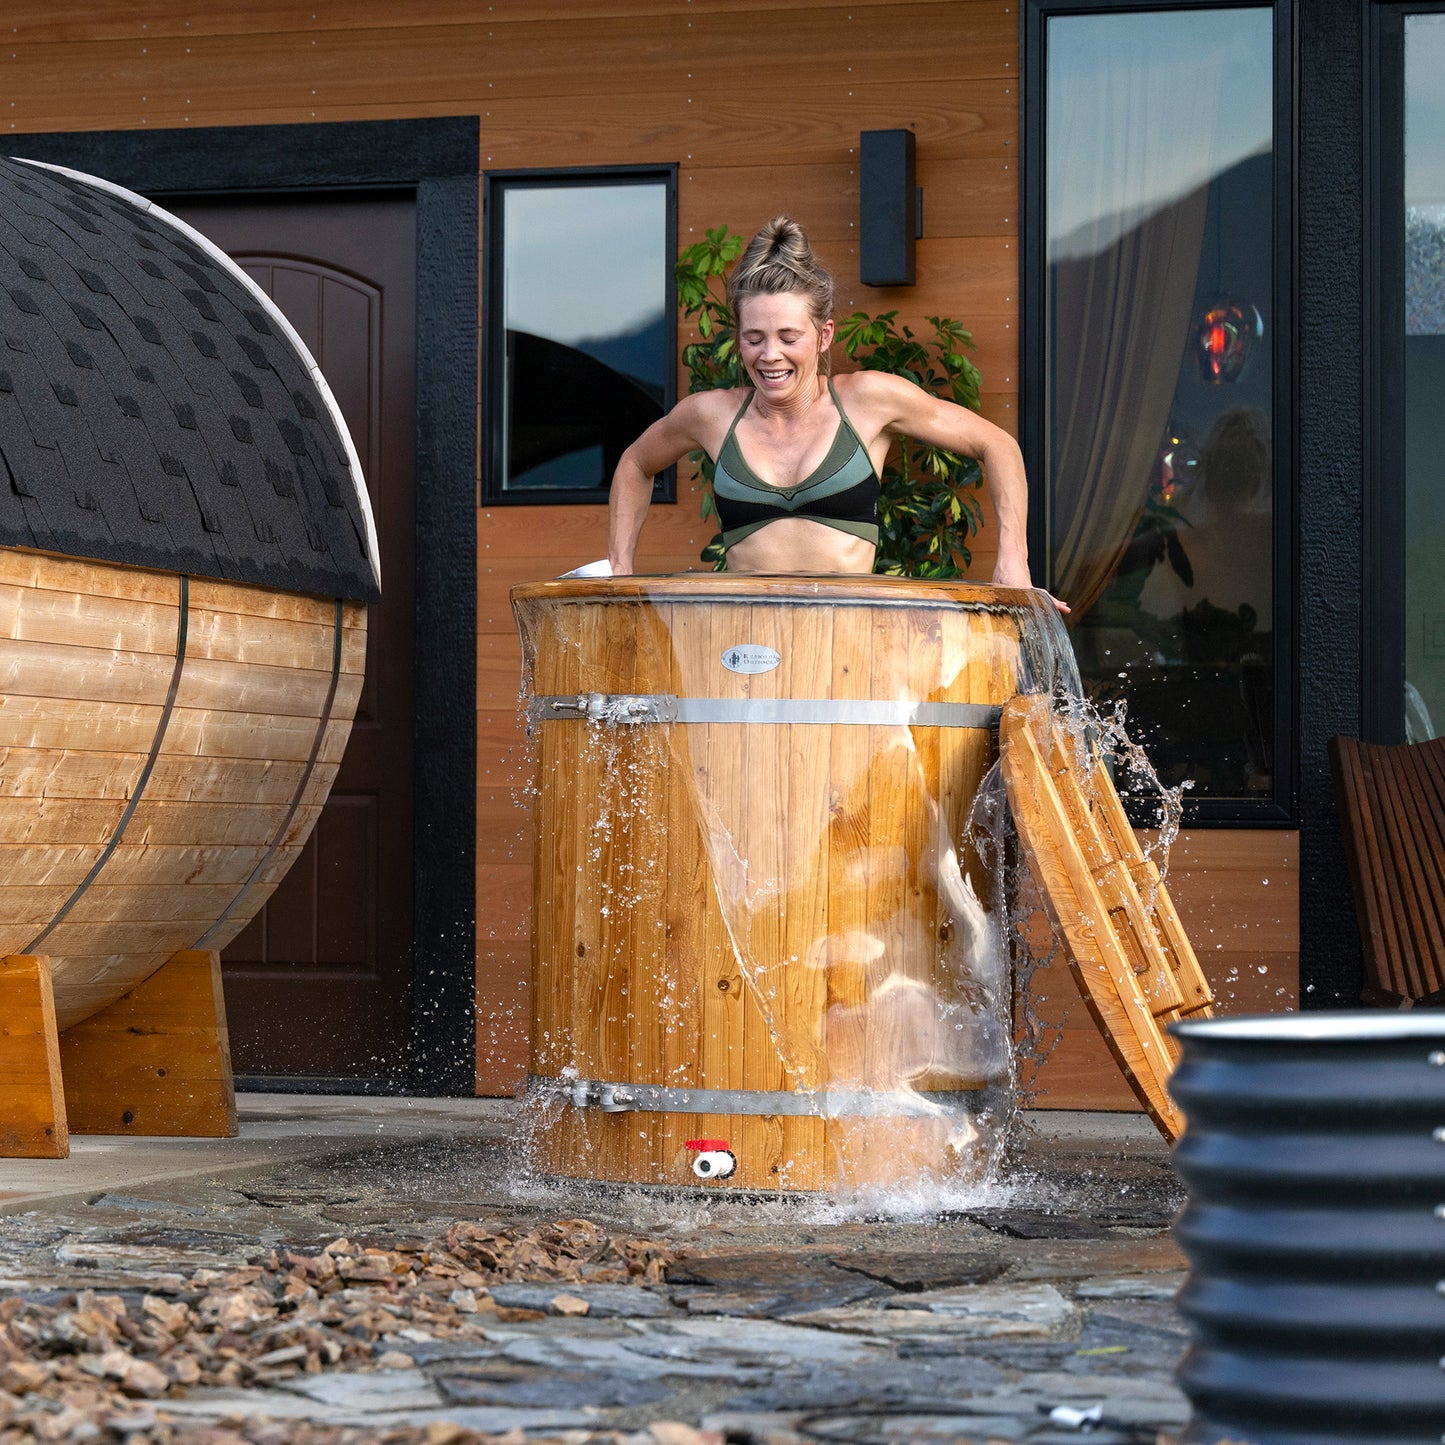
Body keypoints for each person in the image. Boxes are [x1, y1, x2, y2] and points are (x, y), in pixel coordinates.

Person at [607, 216, 1047, 600]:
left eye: (788, 337)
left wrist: (1013, 560)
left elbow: (997, 444)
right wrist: (619, 570)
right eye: (754, 338)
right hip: (747, 643)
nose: (769, 355)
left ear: (824, 336)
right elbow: (635, 463)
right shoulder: (710, 415)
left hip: (848, 646)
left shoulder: (868, 400)